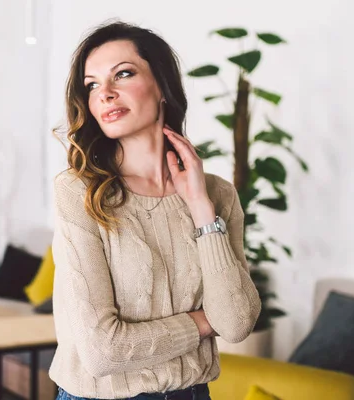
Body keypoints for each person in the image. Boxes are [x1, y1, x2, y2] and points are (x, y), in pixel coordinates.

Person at [49, 21, 261, 400]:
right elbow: (102, 350)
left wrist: (199, 206)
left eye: (123, 74)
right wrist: (200, 322)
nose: (105, 94)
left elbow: (235, 323)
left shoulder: (217, 194)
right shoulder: (79, 192)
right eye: (92, 84)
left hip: (192, 394)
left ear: (162, 85)